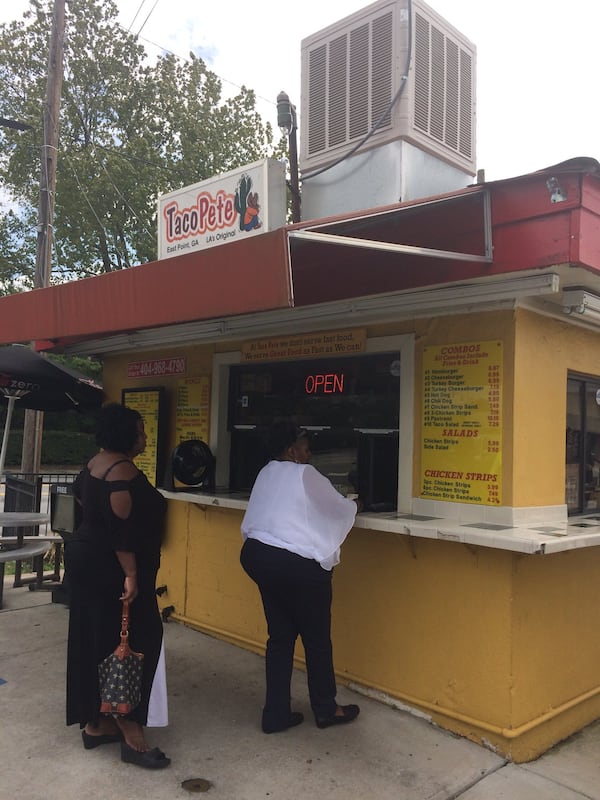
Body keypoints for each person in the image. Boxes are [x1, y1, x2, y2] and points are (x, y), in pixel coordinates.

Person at [65, 402, 170, 769]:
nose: (144, 437)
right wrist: (132, 575)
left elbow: (84, 498)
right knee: (137, 639)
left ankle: (97, 723)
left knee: (97, 638)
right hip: (112, 568)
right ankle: (130, 730)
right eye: (140, 431)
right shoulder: (122, 470)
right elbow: (121, 531)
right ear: (125, 435)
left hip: (85, 558)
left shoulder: (95, 463)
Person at [240, 419, 362, 734]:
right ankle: (326, 708)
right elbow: (337, 508)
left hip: (257, 556)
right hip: (293, 565)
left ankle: (275, 714)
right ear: (292, 450)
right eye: (306, 448)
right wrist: (357, 503)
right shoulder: (303, 473)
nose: (309, 454)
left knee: (280, 638)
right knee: (317, 639)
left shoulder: (265, 472)